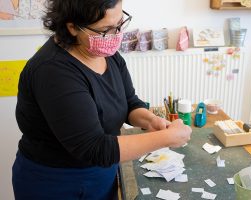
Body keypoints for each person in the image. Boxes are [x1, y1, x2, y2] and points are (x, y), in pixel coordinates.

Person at [12, 0, 192, 199]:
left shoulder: (107, 55)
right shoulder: (53, 72)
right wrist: (166, 138)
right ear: (72, 27)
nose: (115, 36)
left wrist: (151, 120)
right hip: (56, 182)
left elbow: (130, 102)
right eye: (105, 29)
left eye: (119, 25)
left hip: (102, 172)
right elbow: (93, 148)